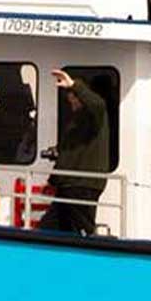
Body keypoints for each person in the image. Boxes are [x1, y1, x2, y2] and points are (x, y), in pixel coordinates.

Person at [37, 70, 111, 234]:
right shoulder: (77, 121)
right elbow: (71, 150)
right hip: (69, 185)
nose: (71, 104)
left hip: (83, 185)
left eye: (73, 100)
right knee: (50, 228)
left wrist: (74, 85)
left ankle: (89, 254)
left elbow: (97, 104)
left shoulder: (95, 115)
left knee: (82, 229)